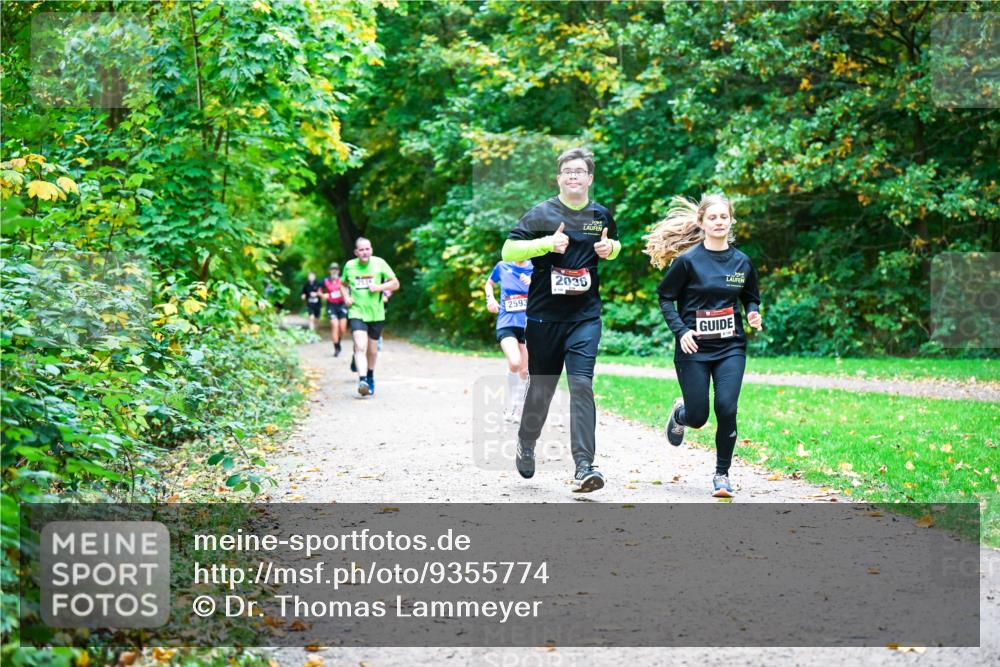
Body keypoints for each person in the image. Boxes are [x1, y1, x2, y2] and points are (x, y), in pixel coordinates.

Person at [502, 147, 621, 493]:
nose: (573, 176)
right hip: (544, 318)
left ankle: (585, 466)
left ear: (589, 178)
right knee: (542, 388)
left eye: (579, 171)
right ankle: (526, 442)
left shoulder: (600, 215)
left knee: (582, 385)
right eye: (567, 171)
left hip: (585, 317)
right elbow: (508, 251)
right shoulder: (542, 213)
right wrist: (545, 244)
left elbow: (615, 246)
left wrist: (610, 250)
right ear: (559, 178)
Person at [643, 194, 763, 498]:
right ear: (702, 222)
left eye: (724, 217)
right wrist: (681, 331)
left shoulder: (742, 261)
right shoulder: (688, 261)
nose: (719, 222)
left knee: (727, 407)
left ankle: (722, 475)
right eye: (713, 217)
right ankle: (681, 414)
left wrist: (752, 313)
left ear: (731, 221)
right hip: (693, 348)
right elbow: (665, 297)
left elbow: (751, 296)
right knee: (698, 417)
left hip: (730, 346)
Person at [341, 237, 399, 396]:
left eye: (367, 249)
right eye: (361, 249)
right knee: (360, 346)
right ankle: (363, 380)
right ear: (356, 252)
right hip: (357, 311)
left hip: (376, 313)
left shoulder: (380, 263)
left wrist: (379, 287)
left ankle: (370, 375)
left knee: (372, 350)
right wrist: (346, 297)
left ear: (371, 250)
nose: (364, 252)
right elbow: (343, 285)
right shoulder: (350, 266)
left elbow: (395, 283)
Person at [485, 260, 532, 421]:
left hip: (528, 325)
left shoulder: (535, 267)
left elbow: (547, 292)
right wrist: (490, 299)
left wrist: (533, 284)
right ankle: (512, 404)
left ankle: (518, 408)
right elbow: (489, 283)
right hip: (507, 323)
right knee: (515, 362)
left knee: (525, 371)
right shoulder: (502, 266)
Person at [319, 263, 349, 356]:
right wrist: (323, 295)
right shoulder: (326, 281)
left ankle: (338, 341)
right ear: (330, 271)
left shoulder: (342, 280)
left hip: (342, 305)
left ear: (339, 271)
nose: (334, 271)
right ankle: (336, 348)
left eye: (336, 269)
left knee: (342, 328)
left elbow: (349, 289)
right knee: (335, 325)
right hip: (331, 306)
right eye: (332, 269)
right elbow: (319, 291)